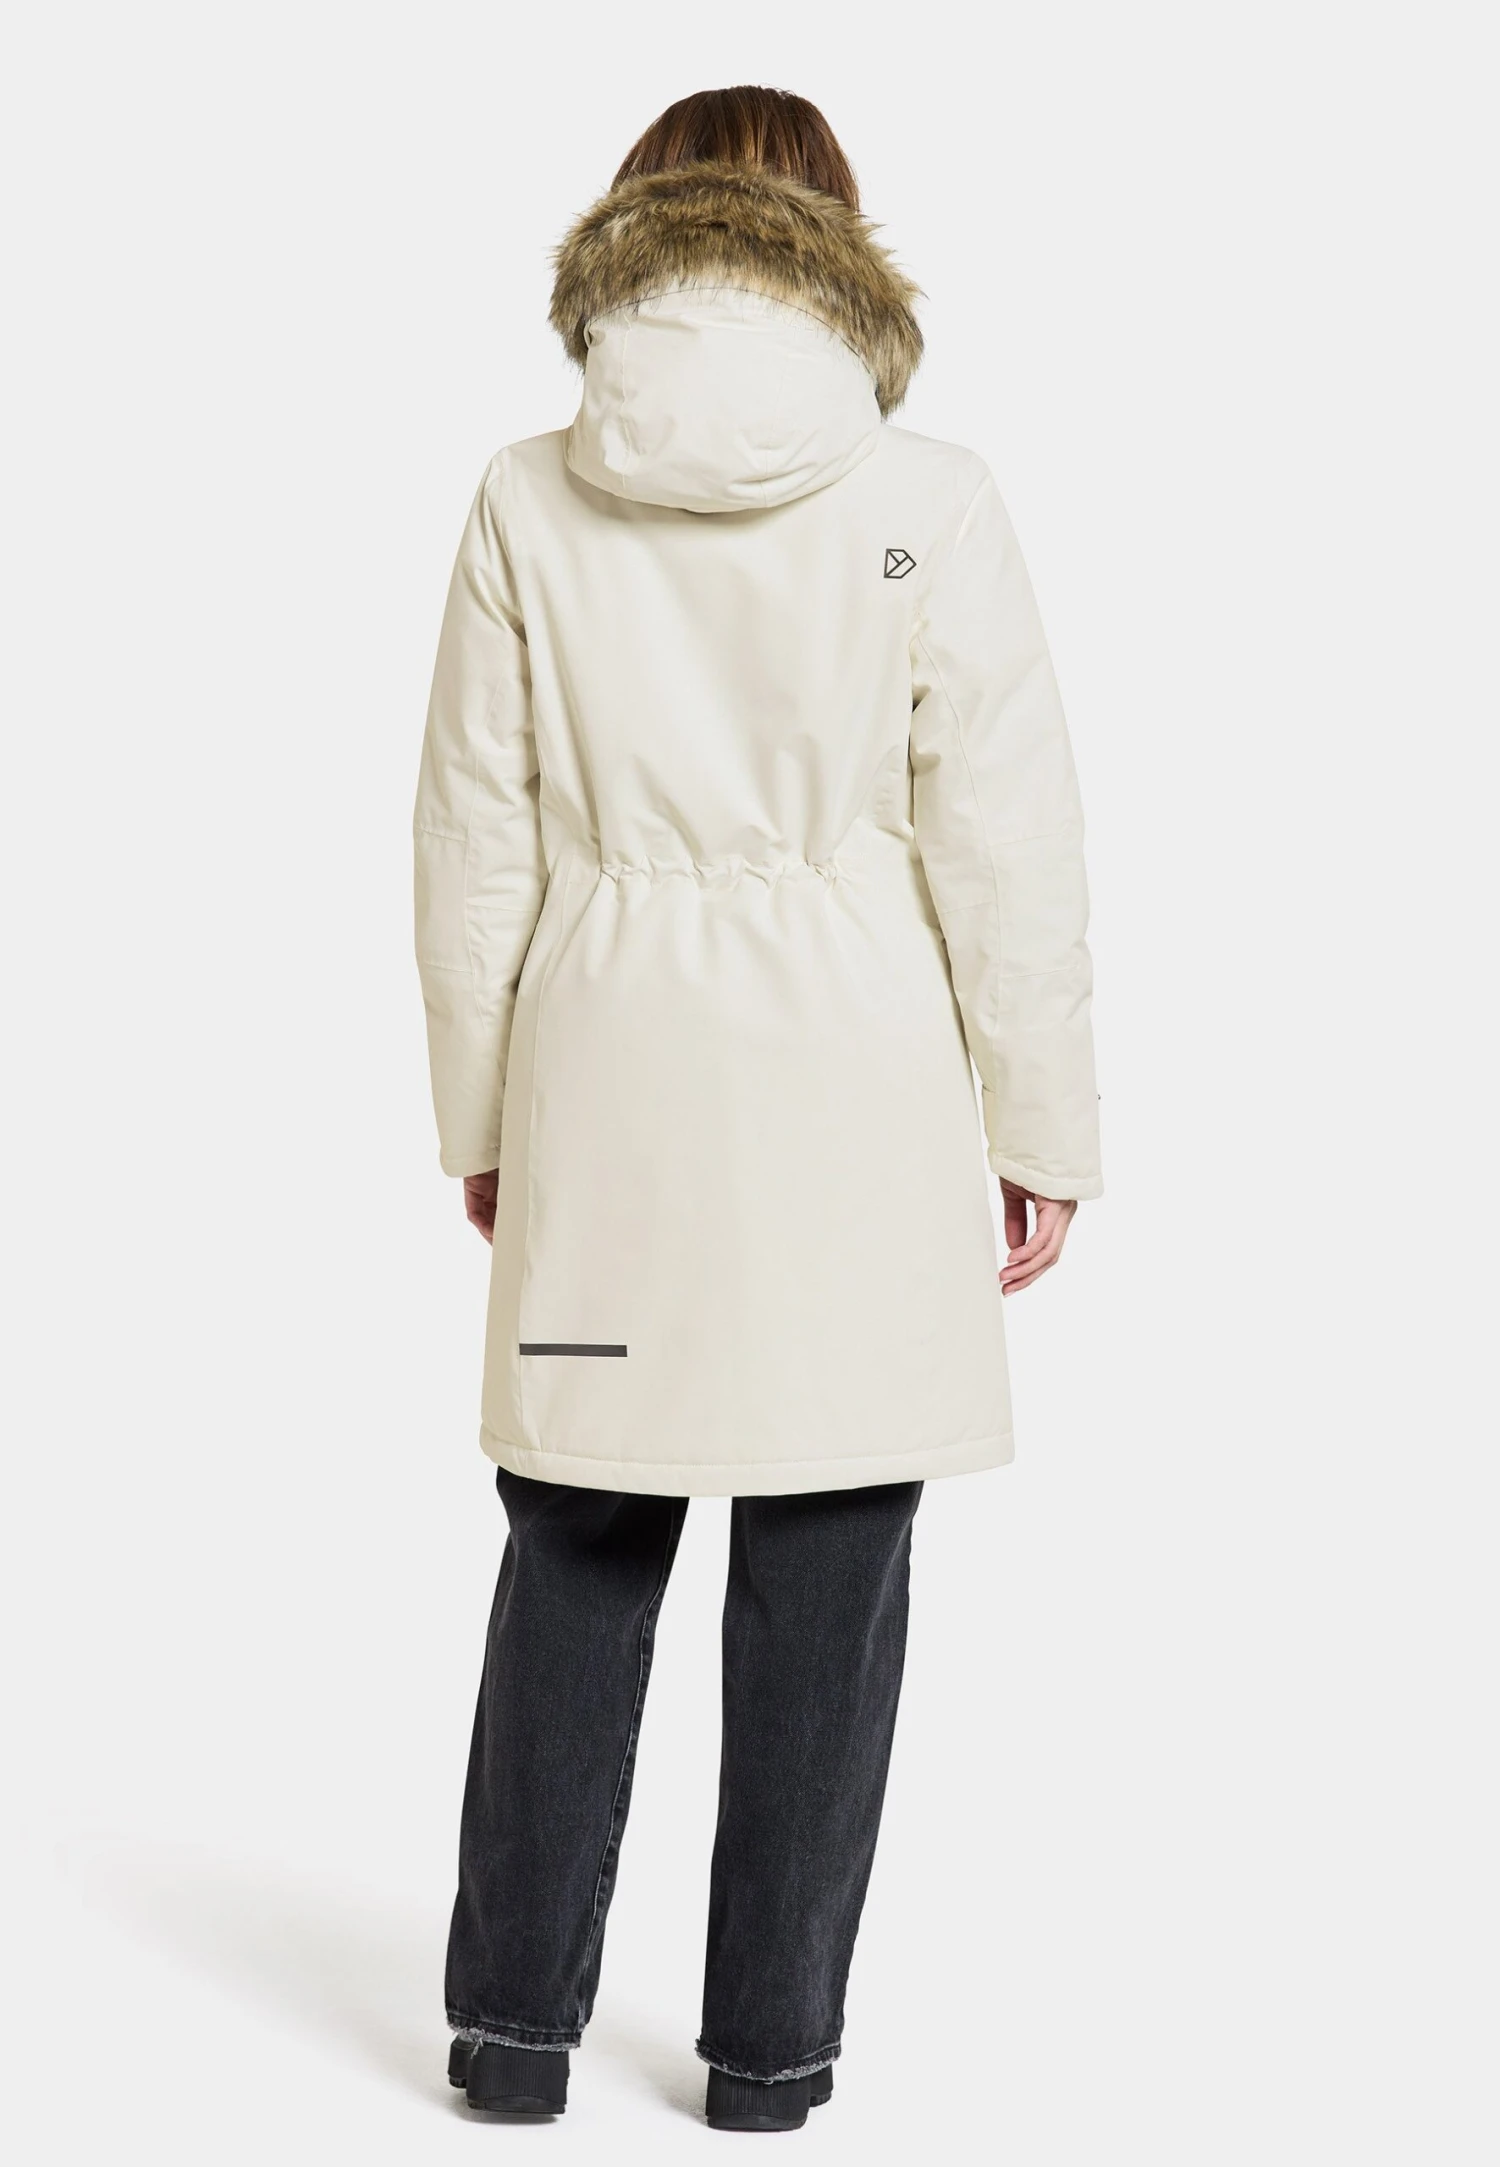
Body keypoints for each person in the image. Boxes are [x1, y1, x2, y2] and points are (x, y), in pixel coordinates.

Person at [413, 85, 1102, 2133]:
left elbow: (473, 844)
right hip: (860, 1107)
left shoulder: (528, 495)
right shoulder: (929, 496)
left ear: (636, 226)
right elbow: (1007, 841)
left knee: (577, 1541)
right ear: (840, 240)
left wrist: (484, 1115)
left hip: (607, 1086)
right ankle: (768, 2065)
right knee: (831, 1558)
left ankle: (510, 2042)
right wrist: (1042, 1126)